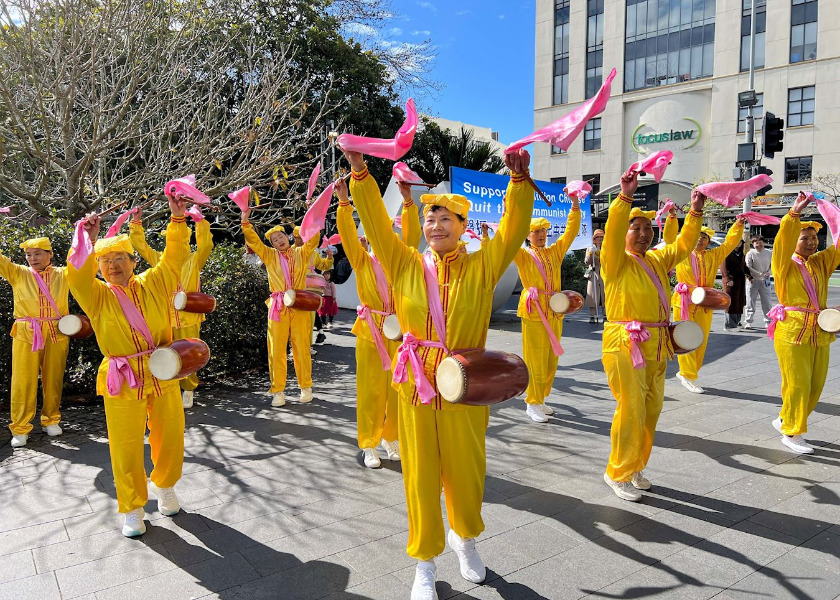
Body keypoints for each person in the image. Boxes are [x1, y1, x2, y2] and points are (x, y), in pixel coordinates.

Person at [344, 147, 534, 600]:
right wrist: (360, 175)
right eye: (431, 218)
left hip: (465, 387)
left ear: (463, 227)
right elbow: (373, 224)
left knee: (466, 471)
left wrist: (519, 184)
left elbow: (513, 230)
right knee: (420, 474)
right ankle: (424, 562)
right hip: (415, 387)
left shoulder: (482, 265)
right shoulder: (404, 263)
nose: (436, 225)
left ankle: (464, 538)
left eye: (446, 218)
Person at [66, 193, 190, 537]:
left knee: (170, 435)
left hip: (162, 367)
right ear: (99, 268)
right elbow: (76, 276)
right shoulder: (97, 294)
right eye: (105, 261)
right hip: (122, 376)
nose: (113, 265)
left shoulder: (154, 282)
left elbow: (175, 258)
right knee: (125, 444)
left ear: (133, 261)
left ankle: (165, 485)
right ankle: (133, 506)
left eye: (120, 258)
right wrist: (88, 240)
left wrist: (177, 221)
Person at [601, 169, 704, 502]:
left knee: (651, 409)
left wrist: (696, 212)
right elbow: (614, 232)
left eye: (648, 228)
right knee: (630, 410)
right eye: (636, 228)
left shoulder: (659, 259)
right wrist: (625, 198)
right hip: (625, 344)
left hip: (658, 345)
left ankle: (634, 466)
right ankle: (617, 471)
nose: (643, 234)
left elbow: (685, 244)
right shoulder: (614, 260)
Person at [335, 177, 420, 468]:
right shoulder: (362, 260)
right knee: (371, 389)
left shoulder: (401, 259)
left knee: (399, 388)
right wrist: (345, 204)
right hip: (371, 331)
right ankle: (369, 443)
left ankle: (390, 437)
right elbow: (347, 236)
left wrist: (408, 201)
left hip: (400, 333)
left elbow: (412, 235)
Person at [769, 192, 839, 454]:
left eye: (814, 238)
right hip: (792, 330)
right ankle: (792, 432)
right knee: (798, 383)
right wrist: (793, 214)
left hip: (820, 330)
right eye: (804, 238)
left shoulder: (820, 261)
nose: (811, 243)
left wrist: (835, 216)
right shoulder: (783, 264)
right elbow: (781, 243)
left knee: (816, 383)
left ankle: (786, 419)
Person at [129, 206, 214, 408]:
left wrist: (200, 222)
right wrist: (136, 223)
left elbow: (206, 246)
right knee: (164, 352)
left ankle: (189, 389)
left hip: (189, 316)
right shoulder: (159, 260)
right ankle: (169, 388)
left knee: (189, 351)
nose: (182, 241)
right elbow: (140, 246)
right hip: (164, 317)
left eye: (185, 238)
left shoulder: (195, 260)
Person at [242, 212, 322, 407]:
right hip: (278, 307)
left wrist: (310, 215)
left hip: (299, 304)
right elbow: (254, 242)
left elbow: (313, 239)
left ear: (287, 237)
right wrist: (245, 222)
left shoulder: (301, 252)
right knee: (276, 349)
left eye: (281, 236)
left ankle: (306, 387)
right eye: (274, 240)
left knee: (301, 347)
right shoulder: (269, 255)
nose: (279, 241)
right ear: (272, 244)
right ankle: (278, 391)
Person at [513, 206, 581, 423]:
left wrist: (575, 208)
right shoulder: (523, 255)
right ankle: (532, 403)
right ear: (527, 235)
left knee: (551, 359)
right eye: (536, 232)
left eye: (543, 231)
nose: (541, 235)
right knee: (535, 360)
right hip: (534, 311)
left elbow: (570, 232)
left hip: (554, 311)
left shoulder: (554, 252)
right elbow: (508, 238)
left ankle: (541, 399)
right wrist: (509, 212)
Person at [1, 237, 70, 447]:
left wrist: (90, 238)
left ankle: (51, 419)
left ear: (50, 255)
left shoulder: (63, 274)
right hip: (26, 331)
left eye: (38, 253)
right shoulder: (18, 272)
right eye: (29, 254)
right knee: (23, 380)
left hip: (56, 330)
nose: (33, 258)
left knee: (54, 378)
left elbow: (84, 264)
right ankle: (20, 428)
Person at [671, 218, 745, 393]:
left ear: (709, 241)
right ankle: (687, 374)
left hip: (705, 301)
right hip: (684, 301)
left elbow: (729, 244)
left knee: (700, 340)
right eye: (697, 235)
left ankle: (690, 373)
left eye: (704, 237)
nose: (700, 239)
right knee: (685, 337)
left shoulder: (713, 255)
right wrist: (673, 219)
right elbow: (670, 238)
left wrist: (738, 225)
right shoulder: (682, 252)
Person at [745, 235, 774, 329]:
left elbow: (773, 265)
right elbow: (748, 266)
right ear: (753, 244)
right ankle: (748, 321)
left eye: (760, 243)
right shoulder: (750, 253)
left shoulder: (769, 253)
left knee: (767, 302)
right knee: (750, 301)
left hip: (765, 281)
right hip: (753, 281)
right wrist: (759, 273)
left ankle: (768, 321)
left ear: (764, 243)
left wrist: (768, 273)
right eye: (756, 243)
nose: (758, 245)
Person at [721, 240, 749, 331]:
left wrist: (749, 276)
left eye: (740, 242)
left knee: (739, 302)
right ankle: (729, 325)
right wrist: (728, 279)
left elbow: (744, 267)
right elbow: (724, 267)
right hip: (731, 282)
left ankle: (737, 322)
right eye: (737, 241)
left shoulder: (741, 254)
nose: (738, 243)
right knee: (731, 303)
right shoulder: (727, 253)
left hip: (740, 281)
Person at [584, 229, 605, 323]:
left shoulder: (607, 248)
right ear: (594, 239)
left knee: (605, 295)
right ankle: (592, 316)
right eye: (598, 237)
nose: (600, 239)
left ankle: (605, 315)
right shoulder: (590, 248)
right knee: (593, 296)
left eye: (602, 237)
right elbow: (586, 262)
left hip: (604, 274)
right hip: (593, 274)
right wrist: (590, 253)